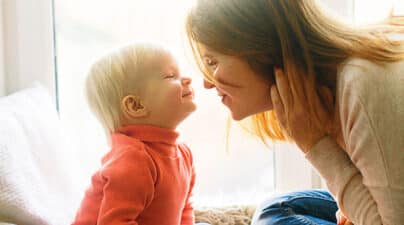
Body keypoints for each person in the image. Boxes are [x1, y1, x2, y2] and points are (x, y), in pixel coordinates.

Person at [185, 0, 404, 224]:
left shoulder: (360, 86)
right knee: (277, 210)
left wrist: (316, 144)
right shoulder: (336, 85)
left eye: (212, 63)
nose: (207, 83)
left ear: (261, 49)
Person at [71, 43, 201, 225]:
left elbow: (185, 209)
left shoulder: (183, 153)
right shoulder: (133, 160)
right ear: (136, 106)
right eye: (171, 76)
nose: (186, 79)